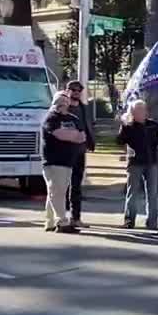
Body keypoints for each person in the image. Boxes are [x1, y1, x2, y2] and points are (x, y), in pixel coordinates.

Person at [41, 93, 86, 233]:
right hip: (53, 161)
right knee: (57, 192)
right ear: (55, 103)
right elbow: (58, 134)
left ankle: (49, 222)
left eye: (66, 102)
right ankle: (62, 222)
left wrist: (70, 135)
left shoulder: (73, 118)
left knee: (55, 192)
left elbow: (82, 136)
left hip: (68, 161)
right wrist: (72, 135)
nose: (64, 104)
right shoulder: (51, 117)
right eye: (60, 102)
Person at [116, 100, 158, 230]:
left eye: (143, 109)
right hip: (135, 163)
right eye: (138, 110)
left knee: (152, 193)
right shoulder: (128, 126)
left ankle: (152, 222)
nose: (142, 112)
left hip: (152, 162)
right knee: (133, 193)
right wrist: (124, 125)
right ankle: (129, 220)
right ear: (132, 112)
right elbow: (119, 141)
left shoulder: (153, 125)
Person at [64, 80, 95, 228]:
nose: (76, 92)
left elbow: (88, 126)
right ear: (67, 90)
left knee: (76, 185)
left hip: (80, 151)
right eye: (73, 89)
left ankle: (75, 217)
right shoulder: (63, 107)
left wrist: (90, 142)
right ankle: (60, 217)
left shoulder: (83, 108)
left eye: (79, 90)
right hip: (65, 151)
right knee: (62, 185)